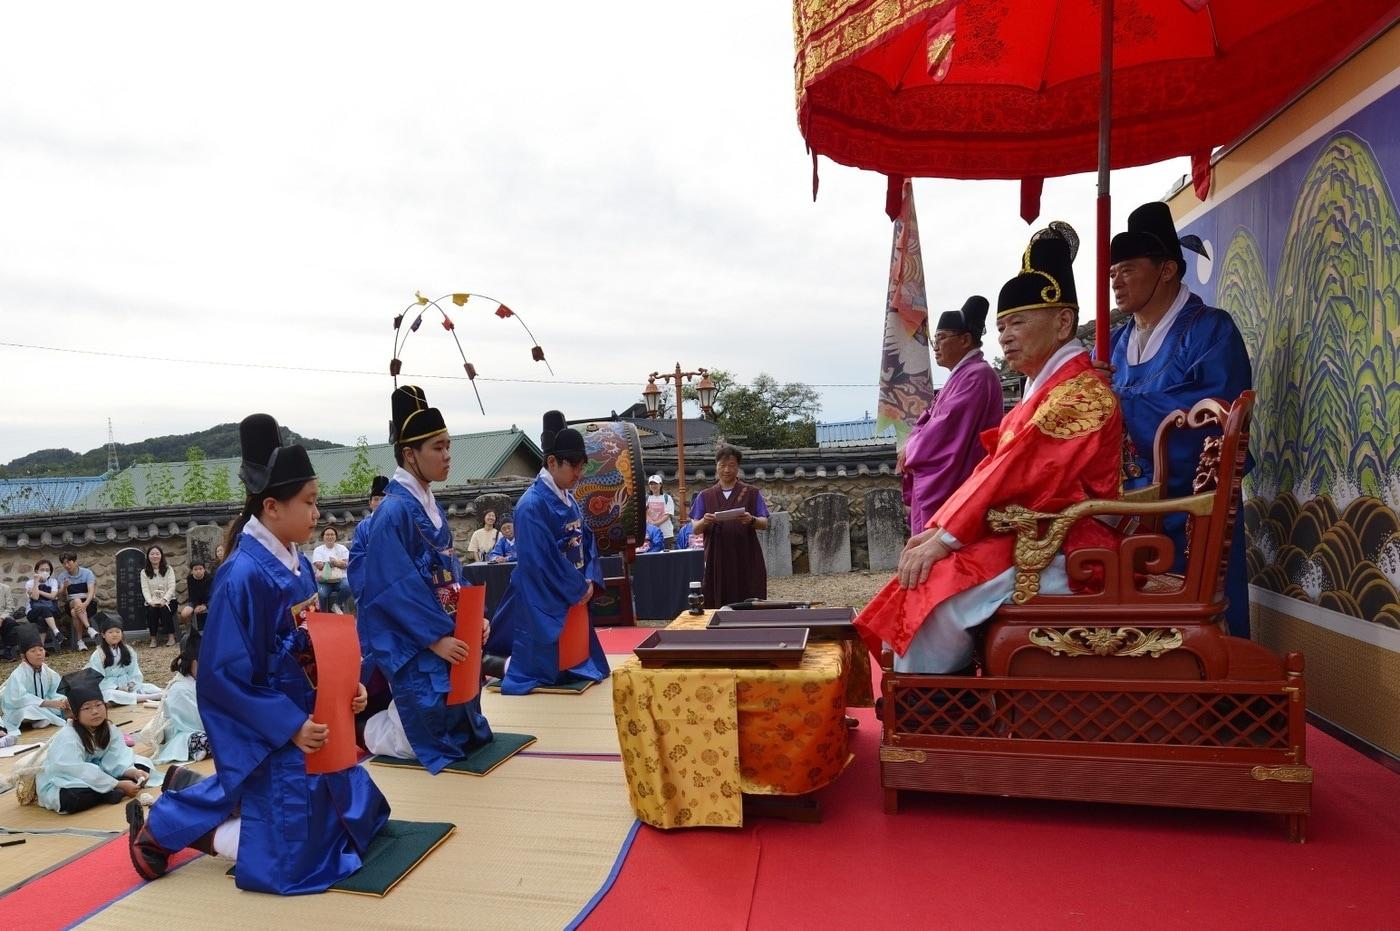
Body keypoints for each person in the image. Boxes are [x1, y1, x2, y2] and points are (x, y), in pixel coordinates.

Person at [127, 413, 388, 893]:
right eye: (309, 503)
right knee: (301, 860)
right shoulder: (241, 575)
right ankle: (172, 827)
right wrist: (287, 725)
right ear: (271, 506)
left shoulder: (297, 565)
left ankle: (193, 793)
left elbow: (317, 644)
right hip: (274, 728)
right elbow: (222, 677)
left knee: (361, 817)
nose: (317, 514)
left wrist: (346, 686)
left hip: (311, 721)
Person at [856, 224, 1123, 673]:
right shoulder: (1052, 388)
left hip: (1069, 542)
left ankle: (937, 720)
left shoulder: (1079, 395)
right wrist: (941, 529)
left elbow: (1012, 471)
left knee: (937, 598)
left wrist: (945, 538)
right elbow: (994, 469)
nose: (1005, 337)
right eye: (1001, 327)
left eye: (1018, 322)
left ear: (1062, 321)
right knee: (926, 577)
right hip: (1036, 530)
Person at [1107, 201, 1255, 638]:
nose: (1116, 280)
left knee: (1199, 624)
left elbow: (1213, 414)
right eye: (1112, 271)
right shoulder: (1114, 342)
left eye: (1128, 268)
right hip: (1126, 505)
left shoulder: (1211, 329)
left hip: (1192, 505)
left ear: (1168, 269)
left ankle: (1215, 699)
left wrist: (1119, 404)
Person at [356, 386, 495, 773]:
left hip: (445, 626)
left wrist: (473, 616)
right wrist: (435, 638)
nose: (448, 455)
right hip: (416, 638)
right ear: (409, 454)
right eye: (438, 447)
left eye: (448, 445)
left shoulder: (429, 504)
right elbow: (393, 587)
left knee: (464, 731)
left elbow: (452, 572)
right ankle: (364, 728)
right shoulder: (394, 511)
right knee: (425, 742)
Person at [486, 410, 609, 695]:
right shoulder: (531, 505)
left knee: (578, 663)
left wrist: (589, 579)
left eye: (582, 467)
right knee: (545, 670)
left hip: (573, 589)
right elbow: (540, 560)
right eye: (574, 468)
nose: (579, 475)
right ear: (552, 462)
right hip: (544, 594)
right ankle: (499, 665)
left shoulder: (568, 498)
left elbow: (586, 541)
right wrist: (577, 586)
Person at [899, 296, 1005, 533]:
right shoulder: (962, 375)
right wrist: (912, 440)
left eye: (942, 338)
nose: (935, 346)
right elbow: (929, 417)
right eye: (935, 339)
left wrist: (912, 448)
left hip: (961, 476)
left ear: (965, 340)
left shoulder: (977, 376)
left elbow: (945, 428)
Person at [38, 669, 155, 814]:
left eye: (99, 705)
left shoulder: (109, 728)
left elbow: (117, 757)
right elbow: (77, 770)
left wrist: (133, 772)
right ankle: (106, 793)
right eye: (87, 708)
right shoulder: (68, 737)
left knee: (141, 766)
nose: (95, 712)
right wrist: (116, 783)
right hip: (66, 779)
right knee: (72, 798)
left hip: (99, 773)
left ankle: (110, 790)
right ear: (76, 714)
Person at [689, 445, 770, 607]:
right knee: (717, 595)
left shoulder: (751, 492)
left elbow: (764, 523)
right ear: (716, 467)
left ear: (738, 468)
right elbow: (695, 528)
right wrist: (705, 521)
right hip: (716, 555)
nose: (727, 470)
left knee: (748, 592)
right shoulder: (705, 496)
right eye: (722, 465)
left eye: (731, 465)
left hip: (746, 552)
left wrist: (751, 519)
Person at [147, 628, 211, 765]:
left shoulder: (205, 681)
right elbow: (195, 722)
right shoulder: (180, 689)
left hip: (210, 724)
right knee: (212, 739)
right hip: (186, 732)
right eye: (202, 663)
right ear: (190, 662)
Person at [2, 626, 67, 730]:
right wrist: (46, 703)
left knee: (65, 702)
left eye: (41, 650)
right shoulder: (18, 674)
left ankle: (42, 718)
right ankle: (40, 719)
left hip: (43, 706)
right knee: (28, 711)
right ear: (24, 657)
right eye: (33, 651)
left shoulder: (47, 671)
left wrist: (62, 701)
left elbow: (55, 691)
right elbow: (18, 699)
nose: (38, 654)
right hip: (20, 709)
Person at [88, 617, 164, 705]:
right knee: (110, 695)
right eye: (110, 632)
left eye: (117, 632)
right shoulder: (98, 654)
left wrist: (130, 685)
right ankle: (149, 697)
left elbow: (134, 672)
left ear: (122, 633)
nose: (114, 635)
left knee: (150, 687)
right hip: (109, 687)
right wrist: (117, 688)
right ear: (103, 635)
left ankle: (151, 695)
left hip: (127, 683)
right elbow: (97, 678)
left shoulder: (128, 650)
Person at [347, 474, 389, 607]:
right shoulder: (363, 527)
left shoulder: (398, 523)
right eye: (376, 499)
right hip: (370, 583)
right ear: (370, 503)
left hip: (395, 582)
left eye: (384, 499)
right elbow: (356, 558)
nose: (379, 503)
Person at [55, 552, 98, 652]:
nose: (67, 565)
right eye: (64, 563)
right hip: (70, 602)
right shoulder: (62, 576)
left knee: (75, 612)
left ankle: (80, 641)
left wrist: (85, 604)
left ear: (75, 561)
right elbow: (64, 597)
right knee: (76, 600)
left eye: (69, 562)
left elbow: (91, 591)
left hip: (88, 602)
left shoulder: (87, 573)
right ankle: (89, 628)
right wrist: (65, 587)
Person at [141, 545, 180, 647]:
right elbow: (145, 589)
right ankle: (153, 638)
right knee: (151, 610)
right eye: (152, 554)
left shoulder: (168, 569)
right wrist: (150, 602)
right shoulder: (144, 572)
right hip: (152, 601)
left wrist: (164, 600)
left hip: (169, 600)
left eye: (157, 554)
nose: (155, 556)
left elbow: (172, 587)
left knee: (164, 609)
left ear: (161, 555)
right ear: (148, 556)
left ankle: (171, 636)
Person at [26, 559, 65, 648]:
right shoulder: (29, 583)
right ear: (36, 571)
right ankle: (56, 632)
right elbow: (35, 597)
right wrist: (36, 581)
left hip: (51, 611)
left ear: (50, 571)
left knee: (41, 618)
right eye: (42, 570)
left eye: (47, 570)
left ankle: (41, 648)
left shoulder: (53, 581)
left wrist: (38, 590)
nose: (45, 572)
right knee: (43, 610)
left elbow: (52, 596)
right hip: (32, 612)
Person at [311, 527, 350, 613]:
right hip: (324, 580)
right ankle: (323, 613)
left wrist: (331, 563)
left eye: (332, 534)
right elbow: (319, 565)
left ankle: (336, 604)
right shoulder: (318, 550)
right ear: (323, 537)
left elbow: (345, 565)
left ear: (336, 536)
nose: (330, 537)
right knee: (321, 594)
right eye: (327, 534)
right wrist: (335, 563)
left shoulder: (342, 548)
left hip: (340, 579)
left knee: (348, 586)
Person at [179, 559, 212, 633]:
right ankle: (189, 630)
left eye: (200, 569)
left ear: (204, 569)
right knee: (184, 614)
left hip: (208, 601)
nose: (198, 571)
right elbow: (192, 594)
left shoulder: (209, 578)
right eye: (195, 569)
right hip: (195, 602)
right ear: (192, 571)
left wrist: (204, 605)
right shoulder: (190, 579)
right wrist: (196, 605)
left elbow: (209, 594)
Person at [645, 474, 676, 550]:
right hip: (651, 533)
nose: (653, 486)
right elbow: (644, 511)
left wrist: (656, 523)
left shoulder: (667, 498)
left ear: (660, 485)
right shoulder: (647, 498)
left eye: (655, 483)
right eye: (651, 484)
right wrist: (649, 522)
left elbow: (668, 514)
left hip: (666, 533)